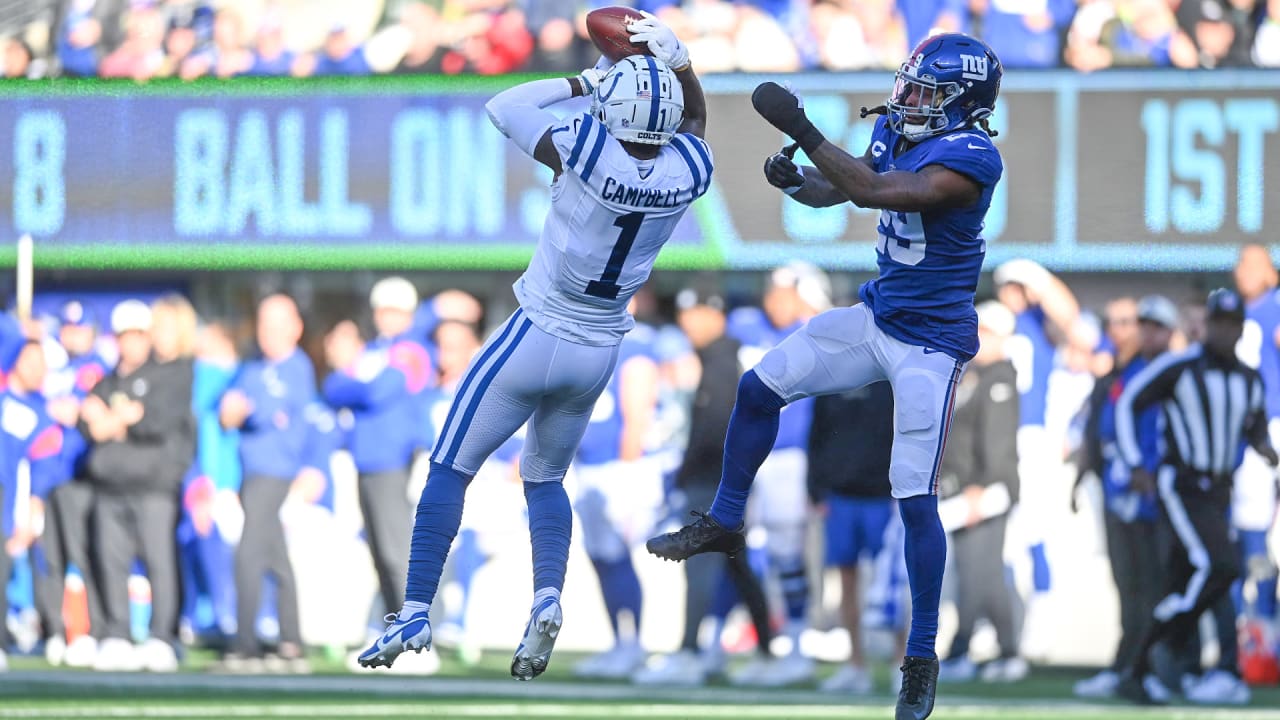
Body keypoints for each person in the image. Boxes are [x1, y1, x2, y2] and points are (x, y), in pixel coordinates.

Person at [646, 32, 1003, 720]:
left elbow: (873, 190)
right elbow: (835, 193)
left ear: (962, 103)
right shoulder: (901, 130)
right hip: (880, 318)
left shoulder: (972, 155)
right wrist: (798, 182)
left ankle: (920, 657)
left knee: (914, 497)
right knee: (759, 388)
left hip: (931, 343)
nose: (908, 100)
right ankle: (723, 519)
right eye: (910, 85)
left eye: (926, 91)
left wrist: (803, 128)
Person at [358, 13, 710, 681]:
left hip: (538, 328)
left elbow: (506, 104)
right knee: (545, 480)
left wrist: (587, 78)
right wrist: (683, 68)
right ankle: (547, 595)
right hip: (600, 344)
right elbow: (695, 128)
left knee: (449, 470)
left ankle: (414, 609)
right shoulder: (685, 170)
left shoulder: (587, 148)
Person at [1114, 289, 1277, 706]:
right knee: (1220, 566)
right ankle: (1171, 643)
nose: (1225, 333)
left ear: (1241, 328)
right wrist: (1135, 462)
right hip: (1182, 485)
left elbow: (1255, 424)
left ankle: (1140, 671)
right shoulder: (1181, 368)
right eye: (1219, 324)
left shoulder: (1248, 377)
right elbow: (1130, 399)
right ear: (1209, 327)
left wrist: (1266, 450)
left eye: (1232, 325)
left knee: (1183, 578)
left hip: (1221, 489)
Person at [633, 286, 775, 688]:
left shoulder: (723, 361)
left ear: (716, 315)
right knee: (737, 565)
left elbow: (718, 430)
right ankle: (765, 650)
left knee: (700, 564)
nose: (687, 322)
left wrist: (689, 472)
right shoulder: (716, 358)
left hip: (715, 480)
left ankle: (690, 652)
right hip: (724, 479)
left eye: (695, 313)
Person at [726, 262, 828, 686]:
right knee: (750, 549)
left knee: (787, 551)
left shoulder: (816, 332)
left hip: (790, 457)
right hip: (753, 456)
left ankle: (798, 640)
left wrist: (812, 306)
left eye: (785, 291)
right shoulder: (750, 326)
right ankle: (766, 636)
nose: (774, 298)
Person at [79, 299, 195, 672]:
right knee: (111, 563)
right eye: (125, 336)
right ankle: (117, 633)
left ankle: (162, 636)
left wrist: (111, 421)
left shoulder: (169, 373)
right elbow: (89, 423)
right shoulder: (110, 379)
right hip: (110, 485)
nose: (134, 343)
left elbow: (153, 422)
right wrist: (118, 418)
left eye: (140, 335)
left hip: (152, 485)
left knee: (159, 562)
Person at [1072, 295, 1176, 699]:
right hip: (1119, 493)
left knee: (1153, 585)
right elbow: (1102, 429)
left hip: (1158, 494)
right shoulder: (1119, 373)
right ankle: (1127, 666)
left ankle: (1148, 668)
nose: (1126, 331)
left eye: (1130, 323)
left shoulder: (1168, 372)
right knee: (1129, 584)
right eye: (1115, 322)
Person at [322, 277, 435, 644]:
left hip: (392, 460)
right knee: (380, 554)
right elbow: (332, 386)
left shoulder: (411, 351)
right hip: (366, 459)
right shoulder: (374, 351)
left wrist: (351, 386)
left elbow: (376, 391)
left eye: (395, 310)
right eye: (382, 310)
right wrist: (351, 385)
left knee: (396, 551)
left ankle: (415, 636)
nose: (387, 317)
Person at [218, 295, 314, 670]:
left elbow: (276, 415)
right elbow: (227, 410)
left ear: (295, 328)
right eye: (263, 325)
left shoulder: (296, 368)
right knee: (274, 556)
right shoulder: (251, 367)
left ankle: (245, 644)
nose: (268, 334)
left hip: (275, 473)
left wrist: (245, 411)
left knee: (249, 554)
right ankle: (291, 641)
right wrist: (234, 411)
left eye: (277, 325)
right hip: (251, 471)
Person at [572, 306, 662, 680]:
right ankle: (617, 643)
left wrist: (627, 470)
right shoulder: (583, 342)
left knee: (619, 556)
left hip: (619, 468)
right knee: (601, 558)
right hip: (588, 466)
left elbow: (636, 416)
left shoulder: (635, 347)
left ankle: (635, 644)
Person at [935, 301, 1023, 684]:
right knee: (981, 575)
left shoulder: (999, 378)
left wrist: (980, 488)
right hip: (966, 489)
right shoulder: (973, 375)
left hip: (986, 491)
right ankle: (1007, 651)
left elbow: (997, 443)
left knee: (976, 572)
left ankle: (962, 650)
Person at [808, 380, 897, 695]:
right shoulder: (832, 381)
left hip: (881, 496)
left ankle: (901, 665)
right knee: (845, 580)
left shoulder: (889, 379)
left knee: (894, 583)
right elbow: (816, 435)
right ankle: (856, 664)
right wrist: (815, 489)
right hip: (840, 496)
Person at [39, 302, 110, 667]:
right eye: (69, 329)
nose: (74, 336)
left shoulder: (96, 367)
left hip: (81, 473)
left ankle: (90, 629)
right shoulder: (53, 366)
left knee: (83, 553)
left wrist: (78, 410)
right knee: (49, 556)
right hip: (48, 474)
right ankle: (53, 628)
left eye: (80, 329)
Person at [1232, 243, 1280, 685]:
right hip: (1250, 435)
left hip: (1274, 425)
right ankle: (1260, 642)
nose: (1242, 270)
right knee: (1252, 541)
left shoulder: (1275, 307)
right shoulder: (1233, 314)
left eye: (1252, 262)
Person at [2, 341, 66, 673]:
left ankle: (52, 629)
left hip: (14, 502)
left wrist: (30, 508)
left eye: (40, 362)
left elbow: (42, 467)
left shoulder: (41, 414)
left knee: (43, 562)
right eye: (29, 360)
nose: (35, 368)